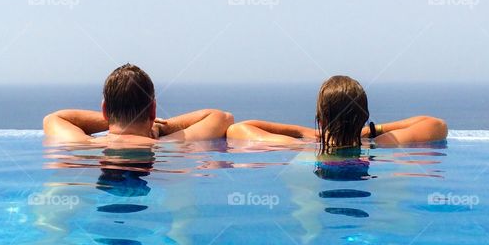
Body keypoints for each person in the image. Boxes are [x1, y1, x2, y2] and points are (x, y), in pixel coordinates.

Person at [226, 75, 447, 150]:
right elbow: (436, 125)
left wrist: (306, 132)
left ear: (320, 119)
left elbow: (237, 129)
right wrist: (369, 131)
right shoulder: (382, 144)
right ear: (364, 116)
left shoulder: (299, 146)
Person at [43, 63, 233, 144]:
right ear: (153, 109)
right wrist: (159, 127)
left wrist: (113, 119)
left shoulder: (83, 145)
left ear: (104, 110)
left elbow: (54, 118)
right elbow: (222, 117)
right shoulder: (170, 145)